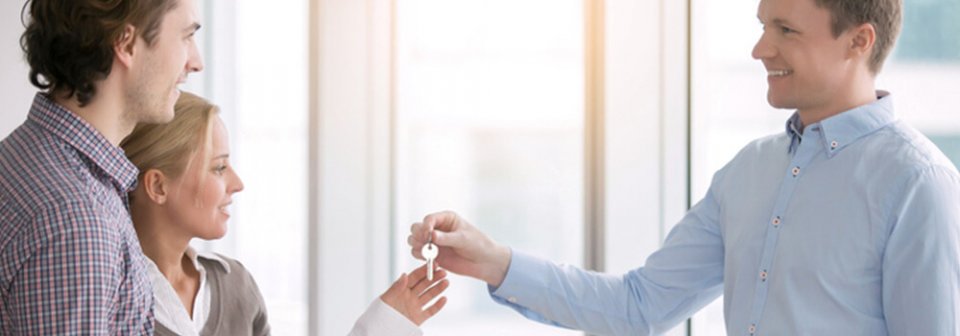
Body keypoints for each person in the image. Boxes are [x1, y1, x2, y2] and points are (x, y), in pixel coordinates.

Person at [408, 0, 960, 335]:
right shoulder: (749, 172)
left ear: (858, 41)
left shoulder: (917, 185)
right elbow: (638, 306)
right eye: (763, 24)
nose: (759, 48)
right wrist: (494, 262)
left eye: (786, 30)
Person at [121, 91, 449, 336]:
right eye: (219, 167)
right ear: (158, 187)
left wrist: (382, 326)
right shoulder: (111, 297)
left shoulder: (234, 285)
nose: (238, 183)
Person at [0, 0, 203, 333]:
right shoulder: (78, 220)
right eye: (185, 36)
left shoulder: (24, 156)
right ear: (126, 44)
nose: (196, 62)